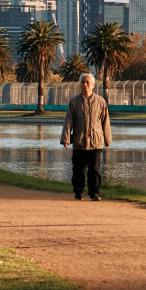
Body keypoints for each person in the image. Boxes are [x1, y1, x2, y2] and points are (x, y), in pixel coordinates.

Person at [61, 72, 112, 201]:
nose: (84, 84)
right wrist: (66, 139)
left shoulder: (101, 102)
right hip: (80, 142)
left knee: (94, 169)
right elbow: (69, 121)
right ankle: (78, 192)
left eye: (87, 82)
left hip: (96, 142)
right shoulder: (74, 102)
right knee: (79, 170)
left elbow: (105, 121)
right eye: (82, 82)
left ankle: (94, 193)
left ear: (93, 85)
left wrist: (107, 139)